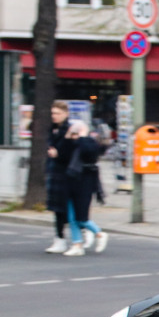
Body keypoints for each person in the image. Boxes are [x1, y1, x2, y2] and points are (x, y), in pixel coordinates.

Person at [60, 120, 108, 256]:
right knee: (71, 217)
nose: (74, 136)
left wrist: (82, 136)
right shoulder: (71, 144)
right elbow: (62, 153)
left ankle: (98, 233)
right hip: (70, 181)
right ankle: (77, 243)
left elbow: (89, 152)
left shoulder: (89, 143)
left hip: (84, 182)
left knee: (81, 216)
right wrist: (68, 136)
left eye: (76, 133)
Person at [45, 101, 72, 253]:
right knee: (57, 209)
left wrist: (59, 154)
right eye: (53, 113)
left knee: (66, 208)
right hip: (54, 171)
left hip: (65, 173)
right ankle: (59, 238)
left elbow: (72, 151)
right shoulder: (52, 130)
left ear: (66, 114)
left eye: (57, 113)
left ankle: (85, 231)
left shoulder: (69, 130)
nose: (54, 116)